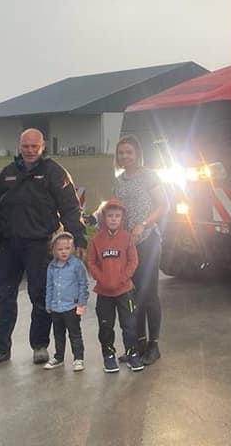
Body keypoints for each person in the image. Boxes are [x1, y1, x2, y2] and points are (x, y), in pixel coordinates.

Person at [0, 128, 87, 368]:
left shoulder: (54, 173)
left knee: (40, 296)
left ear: (42, 146)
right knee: (5, 296)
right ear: (19, 146)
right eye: (25, 146)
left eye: (34, 147)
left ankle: (39, 345)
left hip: (40, 245)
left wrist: (78, 239)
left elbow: (70, 208)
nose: (29, 151)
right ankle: (0, 348)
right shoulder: (7, 174)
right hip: (10, 245)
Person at [111, 135, 168, 366]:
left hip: (147, 241)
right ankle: (139, 344)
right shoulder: (119, 180)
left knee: (149, 293)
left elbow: (164, 205)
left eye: (129, 152)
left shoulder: (149, 176)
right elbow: (117, 209)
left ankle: (154, 346)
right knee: (133, 295)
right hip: (128, 245)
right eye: (121, 152)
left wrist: (143, 224)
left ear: (137, 154)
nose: (125, 156)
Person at [88, 199, 142, 373]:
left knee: (129, 325)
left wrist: (123, 278)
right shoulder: (97, 240)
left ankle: (132, 354)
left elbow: (133, 261)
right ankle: (109, 356)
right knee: (105, 326)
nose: (113, 219)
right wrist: (101, 278)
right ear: (104, 218)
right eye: (110, 216)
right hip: (104, 293)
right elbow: (91, 262)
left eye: (117, 216)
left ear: (122, 218)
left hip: (125, 291)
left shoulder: (128, 238)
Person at [44, 231, 88, 372]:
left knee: (74, 334)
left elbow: (83, 284)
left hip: (72, 306)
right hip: (56, 307)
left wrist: (81, 302)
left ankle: (78, 358)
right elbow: (49, 286)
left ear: (73, 248)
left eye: (67, 248)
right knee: (58, 334)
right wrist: (48, 303)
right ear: (53, 251)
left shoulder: (77, 265)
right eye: (60, 249)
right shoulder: (51, 266)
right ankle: (59, 357)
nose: (64, 252)